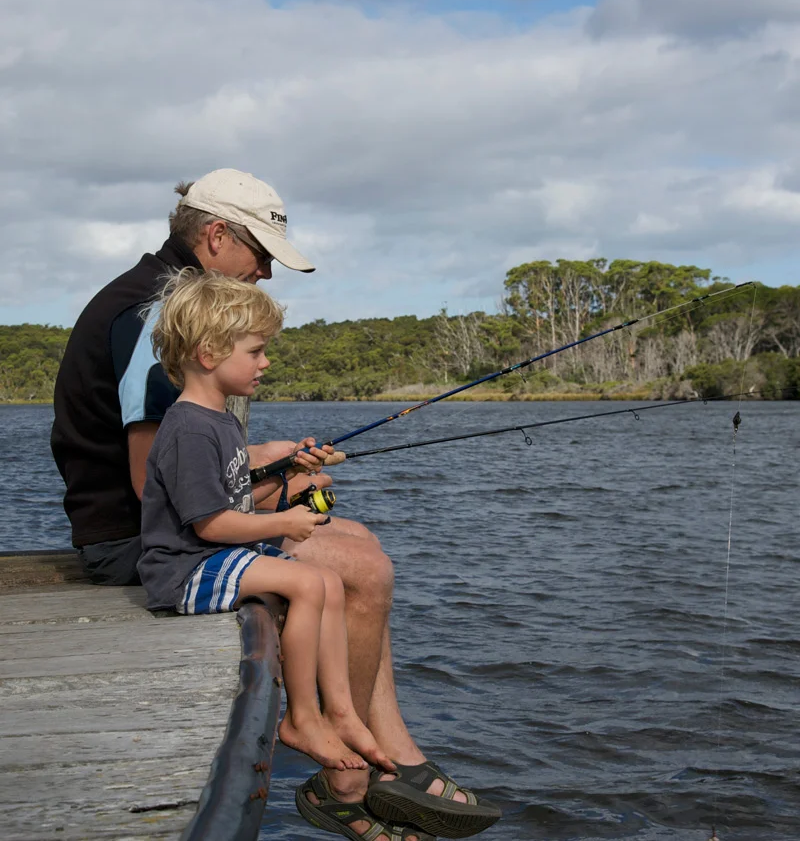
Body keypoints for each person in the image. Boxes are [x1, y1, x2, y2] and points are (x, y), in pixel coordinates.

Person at [50, 168, 501, 840]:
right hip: (137, 543)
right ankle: (363, 769)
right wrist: (270, 496)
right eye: (259, 253)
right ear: (214, 237)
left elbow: (187, 467)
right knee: (362, 569)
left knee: (362, 544)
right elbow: (154, 491)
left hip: (163, 523)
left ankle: (378, 745)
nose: (265, 271)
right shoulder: (156, 315)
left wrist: (275, 466)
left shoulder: (179, 300)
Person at [139, 269, 396, 775]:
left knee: (327, 581)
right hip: (185, 569)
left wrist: (292, 472)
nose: (266, 361)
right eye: (255, 351)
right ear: (209, 355)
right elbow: (212, 523)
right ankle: (301, 718)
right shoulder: (190, 428)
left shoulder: (220, 419)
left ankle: (340, 711)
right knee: (305, 582)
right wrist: (292, 523)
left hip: (217, 556)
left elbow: (231, 495)